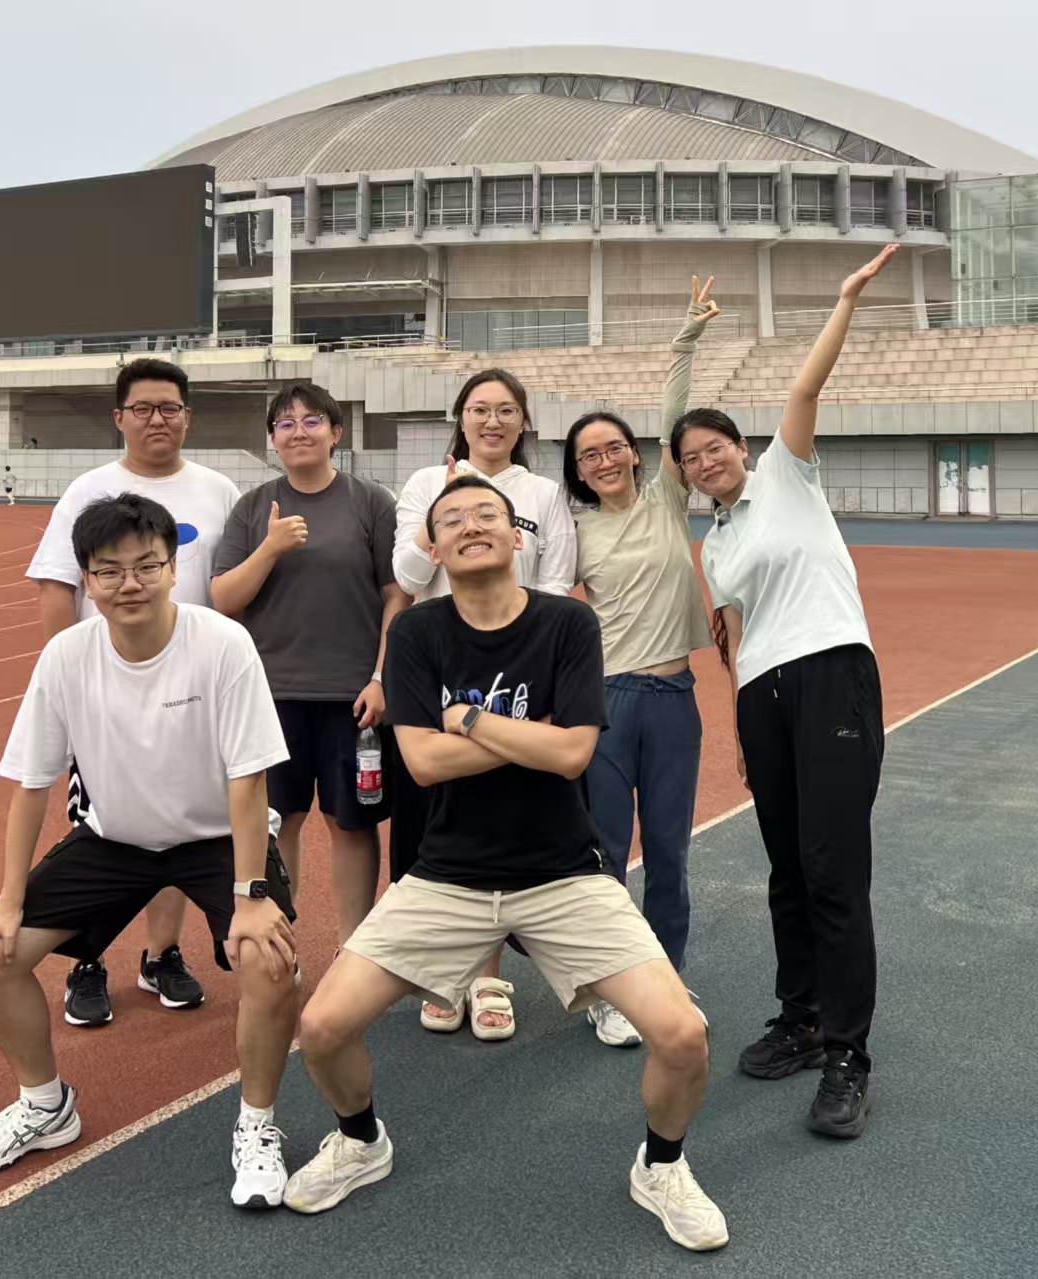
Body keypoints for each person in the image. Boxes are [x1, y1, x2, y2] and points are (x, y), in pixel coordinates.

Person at [283, 475, 727, 1252]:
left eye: (486, 513)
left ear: (516, 534)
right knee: (321, 1026)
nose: (470, 525)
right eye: (451, 519)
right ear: (434, 548)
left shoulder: (565, 622)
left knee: (681, 1032)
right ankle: (360, 1140)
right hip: (447, 874)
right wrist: (530, 736)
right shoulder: (416, 632)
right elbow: (423, 764)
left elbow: (573, 753)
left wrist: (466, 718)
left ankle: (660, 1165)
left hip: (563, 872)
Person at [0, 493, 301, 1210]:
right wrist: (9, 898)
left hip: (216, 837)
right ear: (86, 580)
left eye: (146, 565)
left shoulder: (221, 644)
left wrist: (250, 897)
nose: (129, 583)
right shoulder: (66, 656)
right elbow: (31, 784)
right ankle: (45, 1107)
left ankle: (257, 1124)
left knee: (268, 961)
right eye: (109, 571)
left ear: (174, 569)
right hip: (114, 839)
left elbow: (248, 779)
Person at [694, 245, 897, 1140]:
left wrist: (845, 299)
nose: (705, 462)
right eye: (690, 457)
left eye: (714, 447)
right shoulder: (714, 543)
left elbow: (807, 386)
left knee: (832, 867)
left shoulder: (787, 470)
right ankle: (802, 1016)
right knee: (786, 867)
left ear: (740, 448)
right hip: (763, 695)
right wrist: (742, 723)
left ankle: (849, 1051)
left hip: (830, 674)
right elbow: (732, 635)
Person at [25, 358, 241, 1025]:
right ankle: (87, 960)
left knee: (175, 821)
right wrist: (70, 684)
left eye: (170, 407)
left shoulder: (219, 490)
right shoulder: (89, 490)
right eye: (143, 408)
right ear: (119, 417)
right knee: (99, 826)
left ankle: (161, 954)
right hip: (107, 695)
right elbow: (56, 586)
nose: (157, 420)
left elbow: (233, 584)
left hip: (192, 693)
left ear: (187, 416)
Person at [389, 368, 576, 1040]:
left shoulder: (542, 493)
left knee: (497, 819)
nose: (491, 421)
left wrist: (535, 663)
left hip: (514, 675)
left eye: (505, 410)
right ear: (460, 418)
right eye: (478, 409)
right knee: (431, 820)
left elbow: (556, 584)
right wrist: (441, 508)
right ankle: (445, 970)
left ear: (523, 421)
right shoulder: (424, 484)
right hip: (434, 666)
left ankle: (488, 976)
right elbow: (408, 577)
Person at [560, 275, 722, 1050]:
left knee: (668, 853)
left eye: (613, 446)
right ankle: (604, 989)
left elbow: (674, 413)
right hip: (606, 706)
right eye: (588, 454)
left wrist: (686, 336)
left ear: (633, 452)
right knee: (603, 856)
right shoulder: (576, 530)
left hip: (672, 700)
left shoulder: (667, 498)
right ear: (577, 469)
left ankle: (663, 979)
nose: (604, 459)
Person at [211, 382, 406, 945]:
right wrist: (270, 548)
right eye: (286, 423)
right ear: (272, 439)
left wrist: (380, 677)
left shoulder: (371, 502)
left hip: (353, 697)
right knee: (277, 823)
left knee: (352, 823)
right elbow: (224, 598)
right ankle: (280, 944)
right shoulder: (253, 508)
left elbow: (396, 595)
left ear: (335, 433)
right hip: (272, 696)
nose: (298, 431)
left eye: (312, 420)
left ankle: (354, 947)